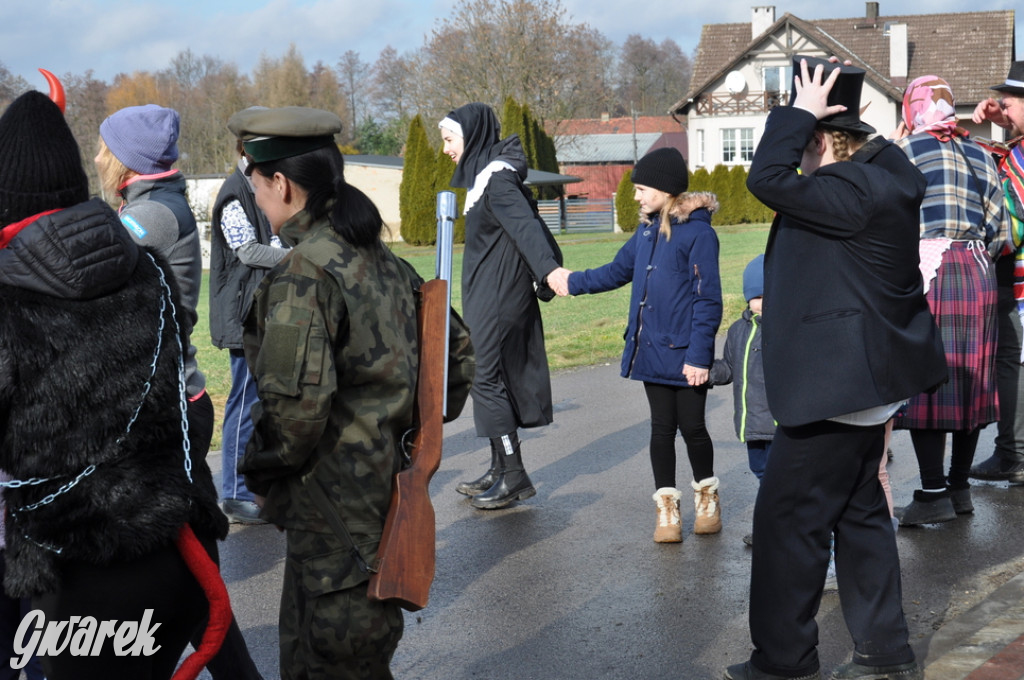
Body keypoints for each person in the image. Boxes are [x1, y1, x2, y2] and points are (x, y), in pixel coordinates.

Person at [231, 105, 474, 680]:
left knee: (329, 666)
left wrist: (259, 475)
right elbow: (456, 367)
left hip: (331, 519)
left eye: (257, 185)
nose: (257, 200)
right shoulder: (387, 263)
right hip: (383, 505)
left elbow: (295, 417)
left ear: (282, 184)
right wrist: (401, 440)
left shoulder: (304, 274)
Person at [724, 57, 946, 680]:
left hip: (834, 390)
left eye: (807, 148)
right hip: (864, 386)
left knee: (785, 527)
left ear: (821, 140)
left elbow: (765, 178)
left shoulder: (850, 188)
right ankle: (884, 652)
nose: (802, 167)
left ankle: (784, 662)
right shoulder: (886, 175)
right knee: (861, 517)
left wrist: (795, 115)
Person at [0, 91, 229, 679]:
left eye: (107, 149)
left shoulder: (136, 229)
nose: (101, 157)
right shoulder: (138, 259)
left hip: (67, 556)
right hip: (154, 541)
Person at [95, 103, 265, 680]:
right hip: (158, 403)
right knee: (179, 564)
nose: (96, 156)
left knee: (195, 565)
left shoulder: (153, 217)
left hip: (171, 407)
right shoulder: (146, 207)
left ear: (126, 161)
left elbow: (84, 271)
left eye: (103, 147)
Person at [547, 147, 723, 543]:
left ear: (664, 188)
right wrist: (570, 282)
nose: (636, 196)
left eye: (642, 188)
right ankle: (667, 512)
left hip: (686, 355)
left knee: (693, 427)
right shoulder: (644, 233)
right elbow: (615, 272)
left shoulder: (699, 234)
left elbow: (707, 299)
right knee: (661, 429)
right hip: (651, 351)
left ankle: (707, 499)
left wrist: (699, 357)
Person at [890, 75, 1006, 526]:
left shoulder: (903, 153)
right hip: (977, 272)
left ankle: (932, 492)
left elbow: (888, 218)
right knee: (971, 380)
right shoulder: (980, 152)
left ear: (912, 108)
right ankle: (959, 489)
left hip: (929, 270)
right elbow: (1000, 230)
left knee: (930, 380)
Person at [438, 102, 563, 510]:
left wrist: (549, 272)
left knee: (486, 379)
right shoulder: (486, 178)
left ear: (470, 137)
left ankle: (514, 475)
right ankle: (499, 467)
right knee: (490, 380)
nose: (445, 149)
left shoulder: (497, 179)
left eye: (449, 139)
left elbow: (527, 227)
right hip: (489, 295)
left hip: (497, 299)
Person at [210, 130, 287, 525]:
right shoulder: (232, 193)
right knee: (242, 404)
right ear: (245, 149)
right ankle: (235, 494)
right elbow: (249, 250)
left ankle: (258, 485)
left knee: (263, 402)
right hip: (242, 315)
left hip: (263, 310)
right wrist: (298, 256)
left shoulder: (261, 183)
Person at [969, 61, 1024, 485]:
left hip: (1017, 278)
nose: (1001, 106)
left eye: (1009, 100)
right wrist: (992, 127)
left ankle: (1014, 453)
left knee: (1015, 361)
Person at [710, 254, 771, 546]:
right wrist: (706, 370)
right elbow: (728, 370)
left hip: (778, 425)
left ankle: (774, 532)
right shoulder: (737, 331)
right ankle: (772, 529)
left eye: (768, 294)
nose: (762, 302)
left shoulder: (783, 329)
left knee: (777, 483)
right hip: (750, 426)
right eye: (756, 296)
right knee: (761, 475)